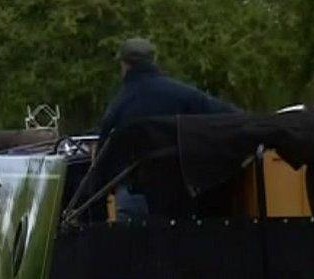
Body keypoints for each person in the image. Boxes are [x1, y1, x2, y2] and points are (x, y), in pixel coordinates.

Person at [99, 38, 240, 220]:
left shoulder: (119, 104)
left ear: (125, 65)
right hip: (182, 194)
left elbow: (104, 156)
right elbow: (231, 117)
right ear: (154, 61)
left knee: (132, 244)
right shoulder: (186, 95)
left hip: (136, 197)